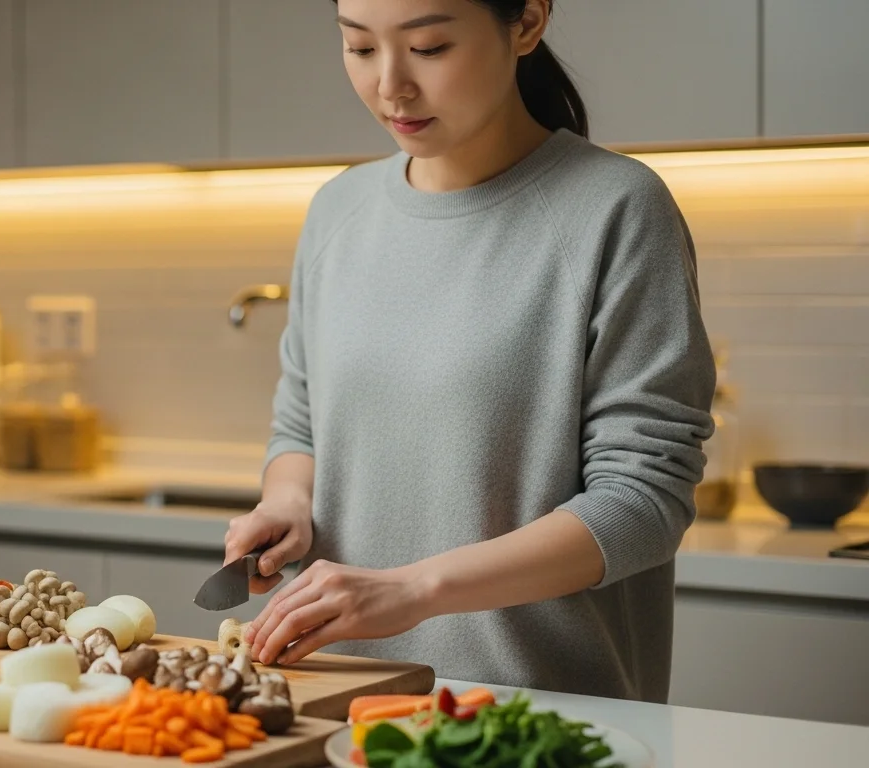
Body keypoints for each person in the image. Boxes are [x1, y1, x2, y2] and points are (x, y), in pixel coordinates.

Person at [222, 0, 716, 704]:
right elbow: (303, 421)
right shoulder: (339, 210)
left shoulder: (617, 208)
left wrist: (414, 589)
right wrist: (289, 501)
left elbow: (642, 503)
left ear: (527, 22)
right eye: (360, 49)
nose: (391, 85)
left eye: (428, 48)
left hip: (534, 715)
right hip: (333, 704)